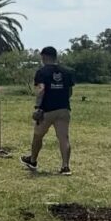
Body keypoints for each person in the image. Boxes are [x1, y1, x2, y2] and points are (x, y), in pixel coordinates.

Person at [21, 46, 74, 175]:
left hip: (47, 110)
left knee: (38, 136)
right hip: (64, 109)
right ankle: (65, 166)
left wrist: (38, 107)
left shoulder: (42, 72)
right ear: (55, 56)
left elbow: (41, 90)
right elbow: (70, 92)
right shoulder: (67, 72)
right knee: (64, 138)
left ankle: (33, 160)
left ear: (44, 57)